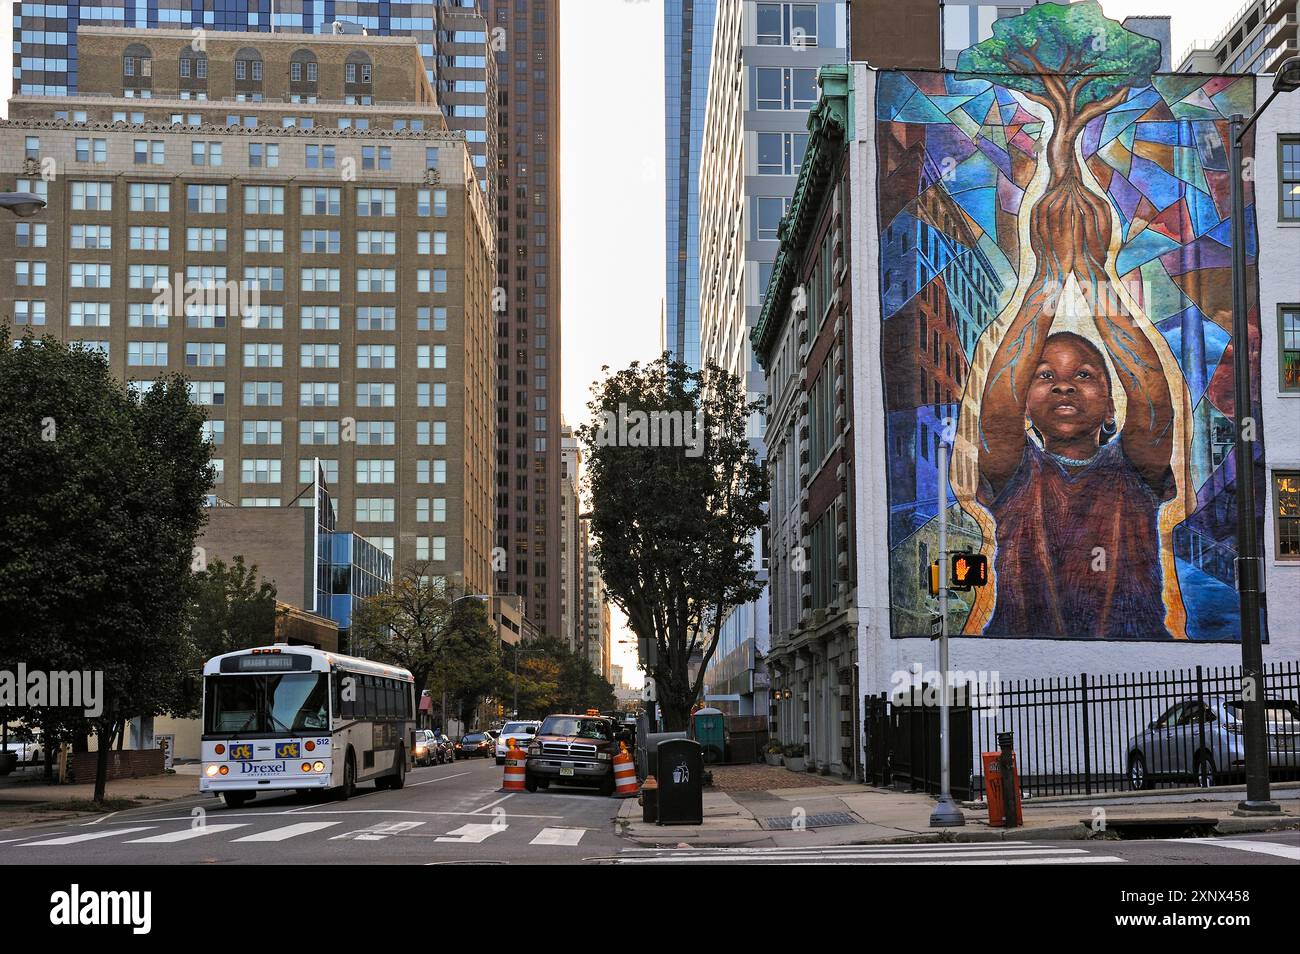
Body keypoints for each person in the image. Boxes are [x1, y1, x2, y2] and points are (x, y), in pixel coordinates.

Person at [976, 294, 1180, 638]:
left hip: (1136, 657)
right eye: (1045, 375)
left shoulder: (1133, 470)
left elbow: (1153, 402)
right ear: (1025, 408)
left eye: (1083, 374)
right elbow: (997, 414)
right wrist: (1046, 282)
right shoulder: (1016, 471)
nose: (1064, 385)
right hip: (1021, 664)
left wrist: (1094, 278)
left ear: (1111, 409)